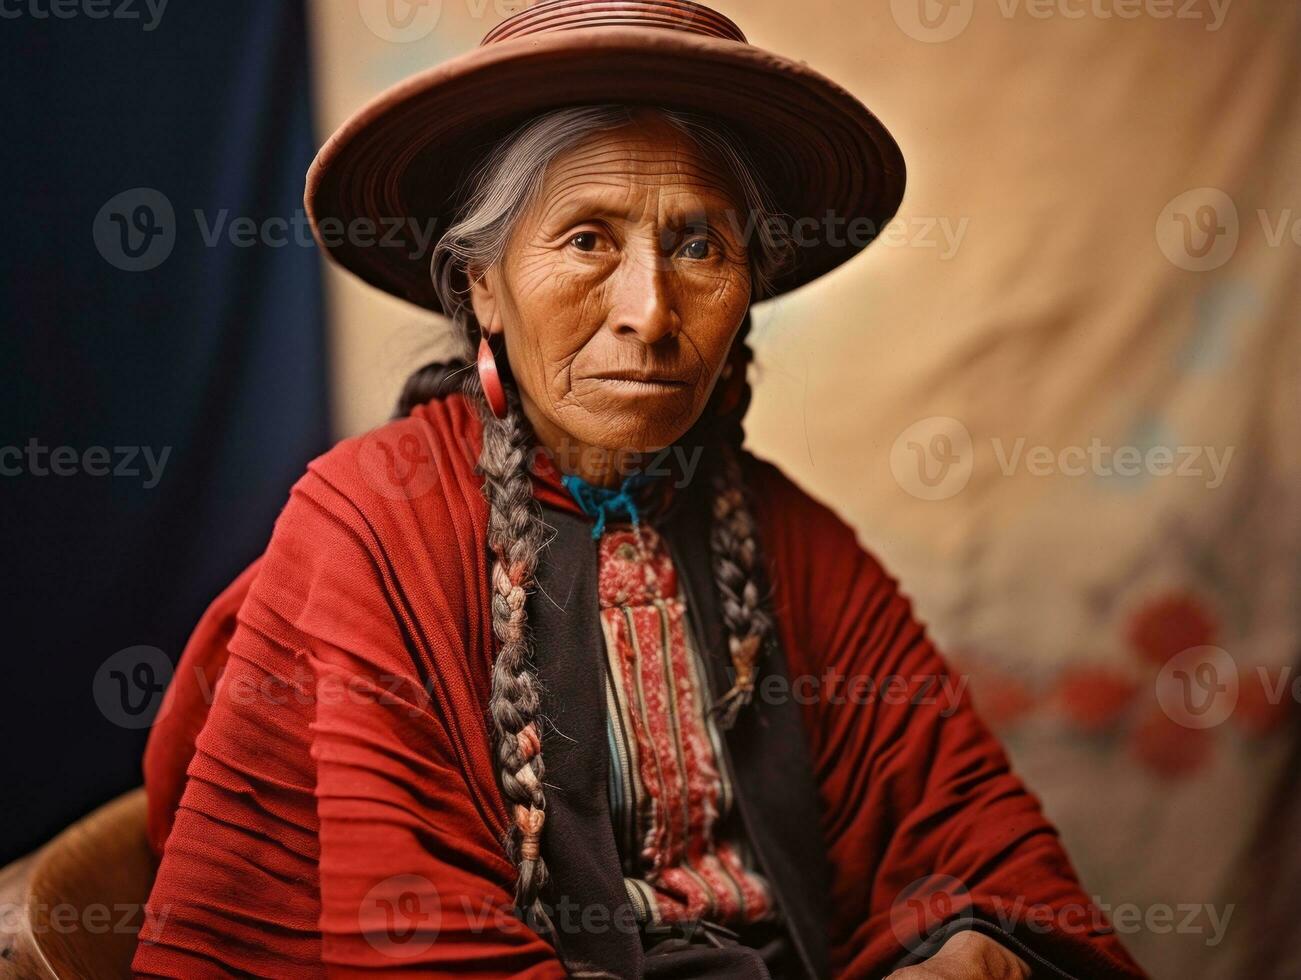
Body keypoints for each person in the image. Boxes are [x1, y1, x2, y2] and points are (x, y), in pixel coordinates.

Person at [132, 1, 1146, 977]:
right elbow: (412, 932)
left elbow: (966, 823)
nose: (650, 312)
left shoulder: (789, 539)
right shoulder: (373, 524)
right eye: (586, 239)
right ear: (481, 282)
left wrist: (970, 948)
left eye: (697, 243)